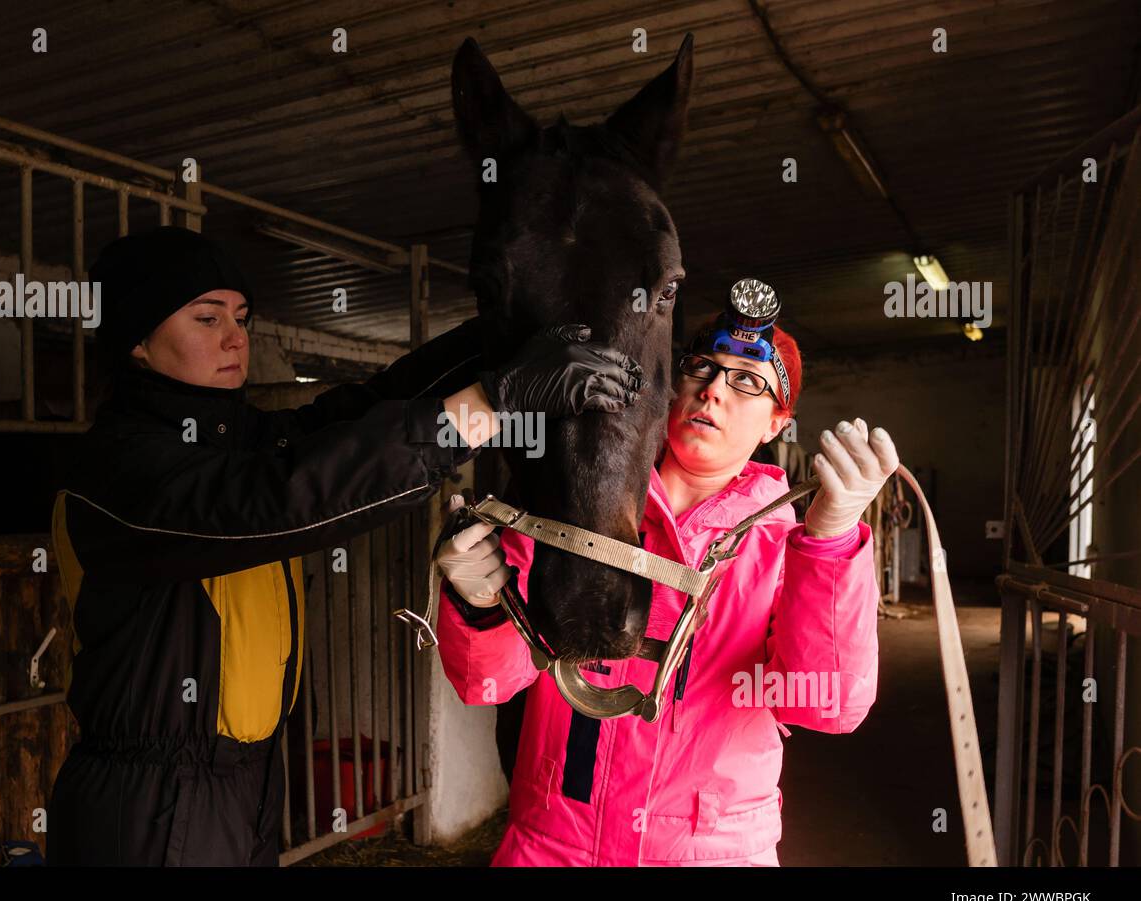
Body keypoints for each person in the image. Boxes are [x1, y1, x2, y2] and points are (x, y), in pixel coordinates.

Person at [46, 226, 644, 866]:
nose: (235, 337)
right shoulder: (115, 473)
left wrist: (500, 339)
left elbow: (364, 411)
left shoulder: (239, 441)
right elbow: (285, 497)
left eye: (241, 317)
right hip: (146, 808)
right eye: (205, 317)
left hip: (246, 784)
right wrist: (492, 403)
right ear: (136, 341)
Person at [434, 278, 899, 866]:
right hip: (554, 844)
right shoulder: (578, 510)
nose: (713, 393)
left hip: (712, 852)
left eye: (748, 382)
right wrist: (478, 601)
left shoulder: (787, 552)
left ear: (777, 423)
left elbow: (828, 707)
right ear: (671, 385)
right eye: (700, 369)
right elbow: (489, 681)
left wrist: (830, 543)